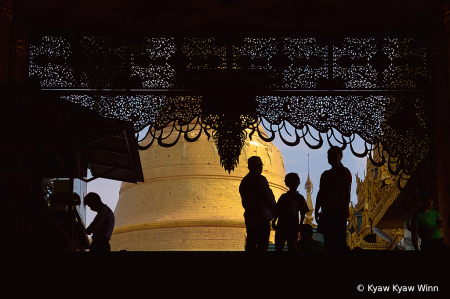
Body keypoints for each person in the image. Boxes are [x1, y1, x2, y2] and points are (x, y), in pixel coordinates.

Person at [314, 146, 352, 251]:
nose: (332, 158)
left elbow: (347, 190)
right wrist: (316, 210)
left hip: (339, 209)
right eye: (330, 156)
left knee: (339, 241)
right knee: (329, 242)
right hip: (327, 211)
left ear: (340, 157)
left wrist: (346, 208)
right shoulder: (325, 175)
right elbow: (320, 192)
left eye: (335, 156)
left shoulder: (344, 172)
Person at [239, 156, 276, 252]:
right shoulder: (259, 179)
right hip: (262, 217)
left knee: (251, 242)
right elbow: (269, 197)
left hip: (250, 217)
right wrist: (275, 211)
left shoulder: (244, 181)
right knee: (262, 245)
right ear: (259, 166)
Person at [272, 173, 309, 251]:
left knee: (292, 247)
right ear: (287, 183)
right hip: (282, 224)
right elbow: (277, 211)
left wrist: (301, 224)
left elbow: (303, 212)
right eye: (290, 182)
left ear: (298, 183)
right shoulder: (284, 197)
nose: (292, 184)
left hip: (292, 225)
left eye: (294, 181)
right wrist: (274, 221)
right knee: (279, 246)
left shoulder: (299, 198)